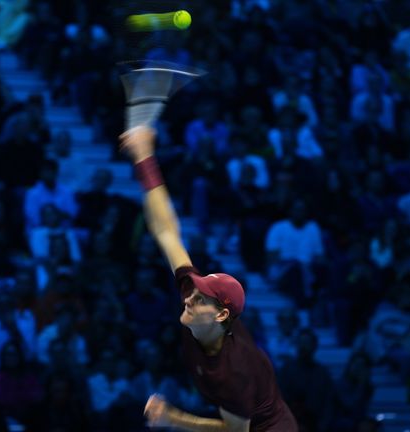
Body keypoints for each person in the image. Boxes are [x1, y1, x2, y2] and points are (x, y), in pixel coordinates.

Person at [120, 125, 298, 431]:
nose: (189, 297)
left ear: (222, 315)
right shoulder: (196, 301)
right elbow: (167, 231)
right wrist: (145, 158)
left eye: (201, 299)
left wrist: (173, 418)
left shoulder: (235, 369)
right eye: (195, 292)